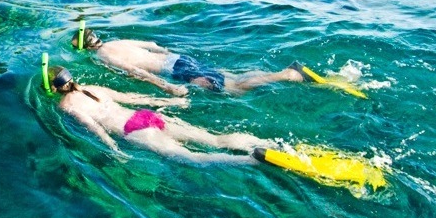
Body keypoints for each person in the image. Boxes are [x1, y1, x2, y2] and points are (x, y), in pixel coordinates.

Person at [46, 65, 272, 165]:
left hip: (133, 131)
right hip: (145, 116)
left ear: (53, 88)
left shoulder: (66, 105)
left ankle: (250, 161)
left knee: (194, 159)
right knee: (215, 139)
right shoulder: (93, 88)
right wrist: (168, 101)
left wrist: (113, 149)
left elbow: (94, 127)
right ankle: (265, 143)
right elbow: (133, 98)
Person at [71, 26, 305, 96]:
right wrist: (167, 55)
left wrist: (168, 87)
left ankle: (286, 75)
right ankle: (277, 73)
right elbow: (153, 45)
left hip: (174, 71)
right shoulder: (117, 41)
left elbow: (136, 72)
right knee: (230, 76)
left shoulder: (104, 56)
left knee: (232, 90)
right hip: (178, 58)